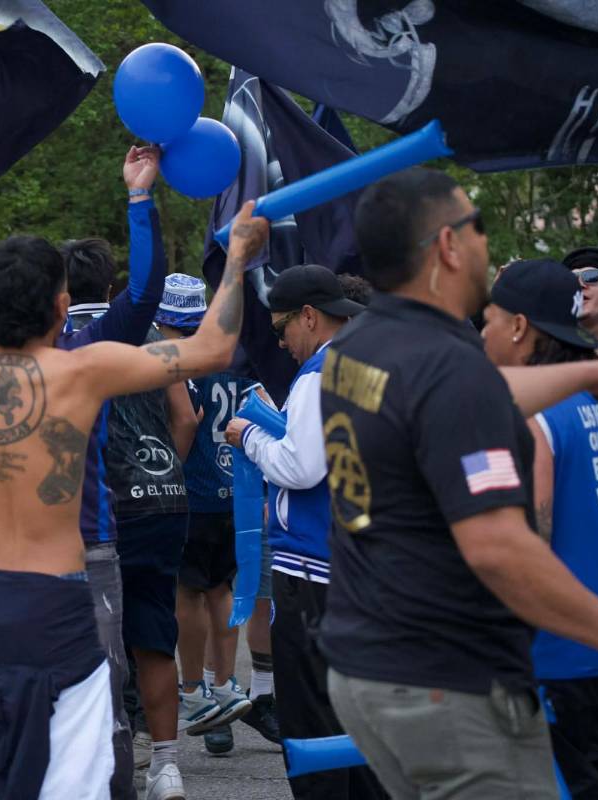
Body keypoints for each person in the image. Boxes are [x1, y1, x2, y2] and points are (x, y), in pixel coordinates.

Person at [0, 170, 267, 798]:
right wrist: (239, 256)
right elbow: (214, 348)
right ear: (61, 305)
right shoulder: (86, 369)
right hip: (60, 607)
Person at [319, 166, 598, 799]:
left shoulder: (359, 347)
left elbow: (466, 395)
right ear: (448, 245)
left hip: (367, 671)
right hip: (452, 687)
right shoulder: (449, 368)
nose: (486, 246)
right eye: (478, 227)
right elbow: (499, 547)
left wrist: (586, 375)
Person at [0, 145, 170, 800]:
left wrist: (138, 200)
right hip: (25, 566)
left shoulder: (72, 355)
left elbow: (147, 289)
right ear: (58, 300)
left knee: (94, 702)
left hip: (66, 558)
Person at [481, 258, 598, 798]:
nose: (481, 332)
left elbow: (525, 547)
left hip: (558, 658)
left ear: (518, 326)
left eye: (488, 318)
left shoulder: (536, 416)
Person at [224, 264, 383, 800]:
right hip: (354, 563)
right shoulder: (363, 366)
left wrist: (248, 435)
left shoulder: (319, 373)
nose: (281, 341)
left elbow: (301, 466)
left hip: (314, 573)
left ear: (310, 318)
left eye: (282, 328)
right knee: (355, 722)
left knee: (311, 724)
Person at [61, 241, 198, 797]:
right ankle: (166, 765)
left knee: (88, 642)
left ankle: (97, 762)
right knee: (153, 633)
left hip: (95, 511)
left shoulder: (57, 342)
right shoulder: (151, 337)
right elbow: (185, 418)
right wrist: (165, 471)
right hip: (163, 499)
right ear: (113, 289)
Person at [154, 274, 263, 757]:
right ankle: (226, 684)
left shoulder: (177, 364)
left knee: (187, 592)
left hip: (192, 493)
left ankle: (194, 689)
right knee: (223, 589)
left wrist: (167, 474)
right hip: (232, 497)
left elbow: (188, 418)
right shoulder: (230, 361)